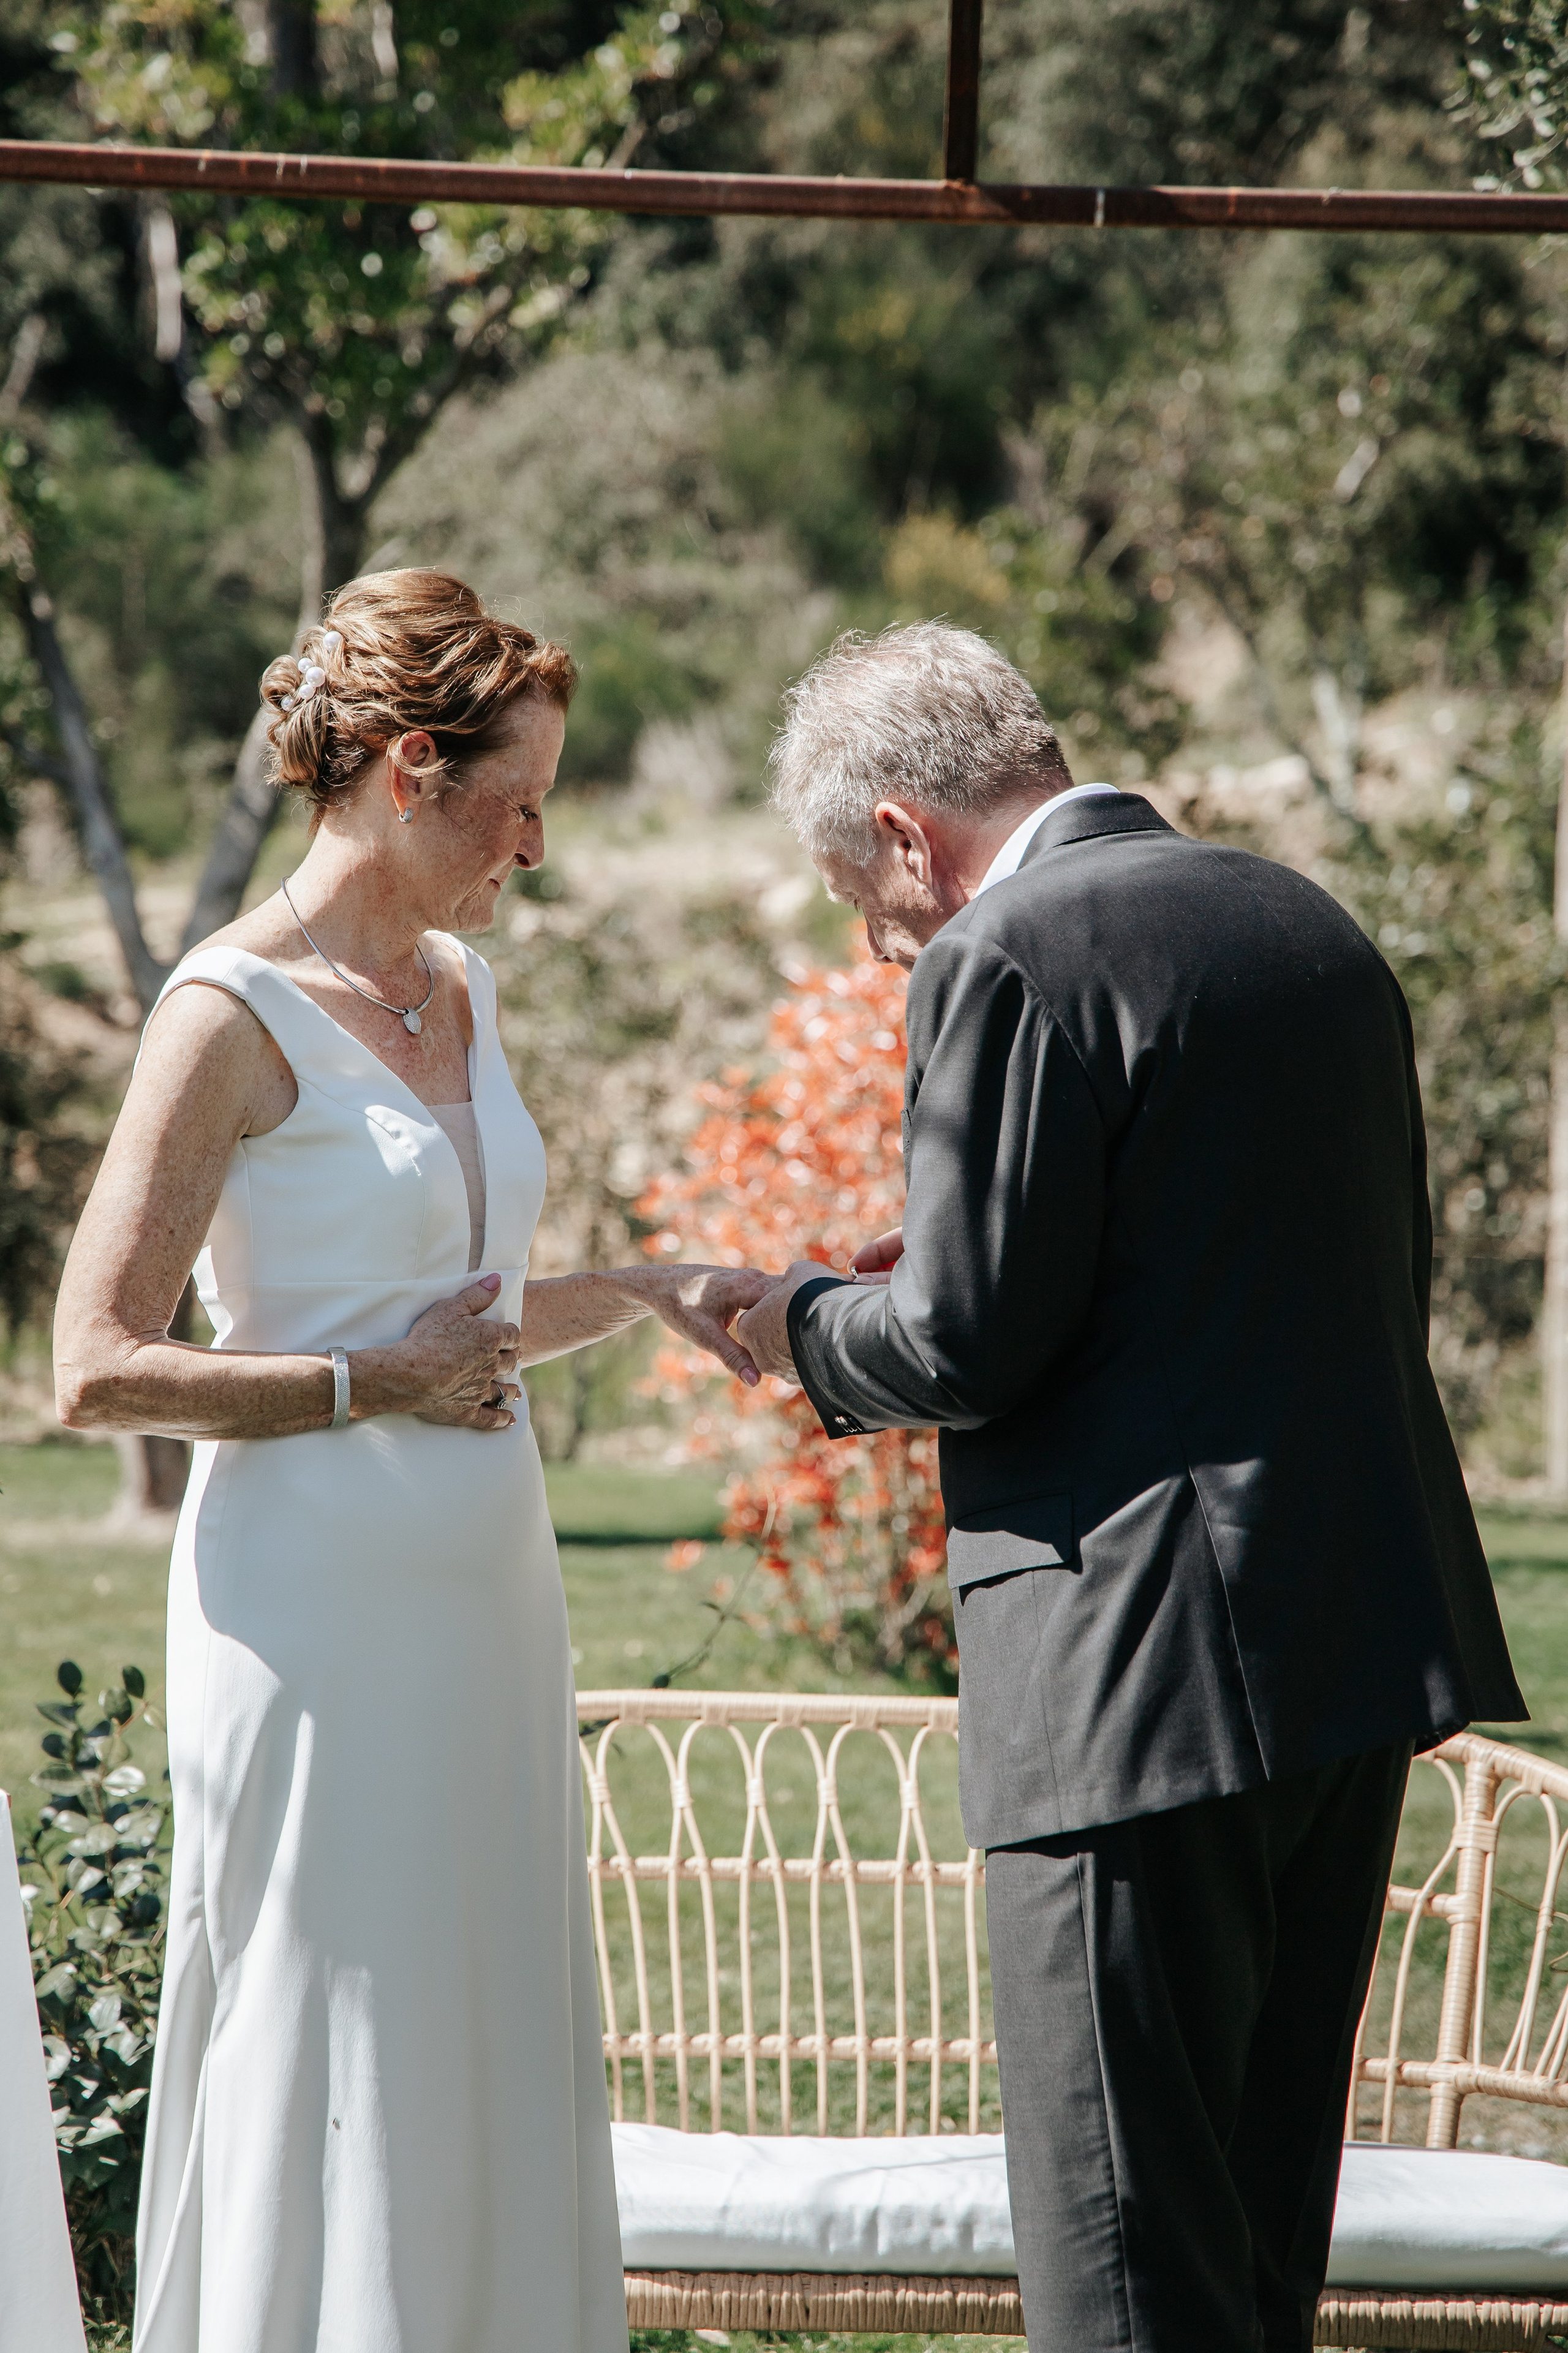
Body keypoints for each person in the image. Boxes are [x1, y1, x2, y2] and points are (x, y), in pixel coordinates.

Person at [736, 622, 1526, 2353]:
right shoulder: (1307, 925)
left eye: (869, 910)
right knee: (1254, 2249)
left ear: (904, 835)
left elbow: (961, 1346)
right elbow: (1264, 1263)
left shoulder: (1005, 953)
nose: (882, 948)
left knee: (1120, 2263)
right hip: (1348, 1650)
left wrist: (796, 1323)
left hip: (1133, 1676)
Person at [52, 569, 769, 2353]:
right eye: (516, 800)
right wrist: (375, 1380)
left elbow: (471, 1311)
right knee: (340, 2004)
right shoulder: (226, 1013)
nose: (537, 842)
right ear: (405, 772)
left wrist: (651, 1288)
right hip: (315, 1614)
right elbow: (96, 1366)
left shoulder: (461, 985)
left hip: (489, 1596)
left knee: (488, 1996)